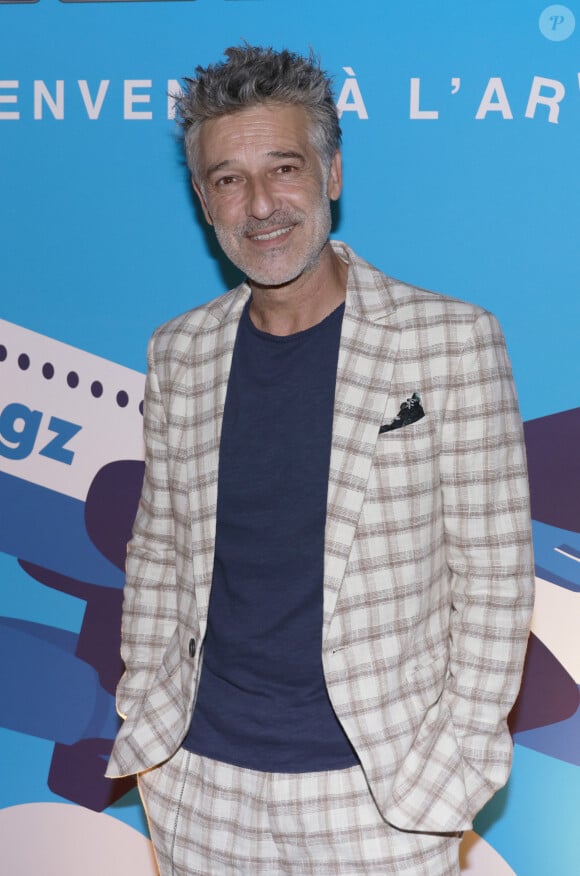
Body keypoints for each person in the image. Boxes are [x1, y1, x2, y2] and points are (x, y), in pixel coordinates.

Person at [107, 45, 535, 875]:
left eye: (284, 167)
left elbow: (493, 579)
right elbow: (159, 550)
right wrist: (153, 739)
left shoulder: (449, 340)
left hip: (380, 798)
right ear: (203, 199)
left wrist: (446, 777)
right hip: (202, 790)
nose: (260, 203)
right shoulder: (180, 351)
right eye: (228, 178)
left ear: (332, 173)